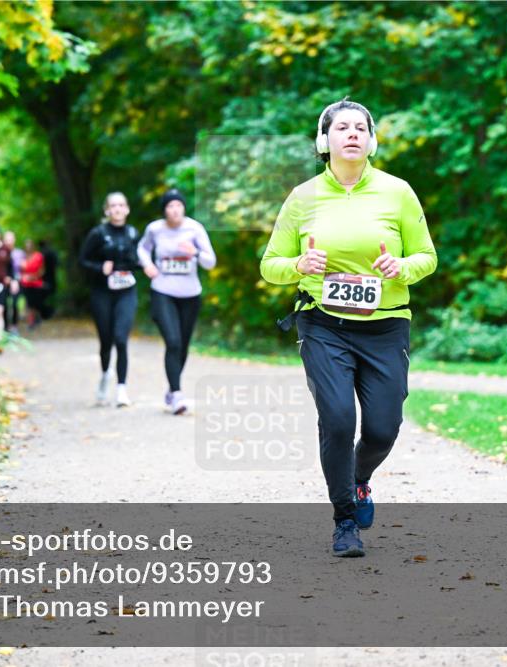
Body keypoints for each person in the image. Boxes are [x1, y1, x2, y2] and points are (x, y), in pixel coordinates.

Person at [260, 99, 437, 557]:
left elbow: (427, 257)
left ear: (372, 139)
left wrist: (400, 267)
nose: (353, 134)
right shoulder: (302, 197)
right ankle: (344, 521)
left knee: (382, 428)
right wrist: (298, 263)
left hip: (386, 327)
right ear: (325, 140)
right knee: (337, 420)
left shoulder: (398, 192)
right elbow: (270, 265)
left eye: (361, 127)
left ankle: (359, 480)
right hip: (323, 324)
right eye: (342, 127)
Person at [138, 188, 217, 415]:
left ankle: (171, 391)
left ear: (183, 207)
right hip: (163, 291)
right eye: (170, 206)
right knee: (172, 341)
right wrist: (147, 265)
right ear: (164, 210)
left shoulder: (194, 228)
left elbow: (210, 262)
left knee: (182, 345)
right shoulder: (155, 229)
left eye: (178, 205)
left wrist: (194, 252)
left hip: (190, 294)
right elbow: (142, 249)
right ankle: (177, 393)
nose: (174, 210)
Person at [79, 192, 142, 407]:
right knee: (106, 341)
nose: (117, 209)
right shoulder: (98, 234)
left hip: (126, 291)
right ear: (107, 210)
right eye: (113, 206)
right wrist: (100, 268)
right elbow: (82, 260)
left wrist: (144, 265)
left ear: (127, 209)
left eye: (121, 205)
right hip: (102, 292)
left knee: (121, 339)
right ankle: (105, 375)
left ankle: (122, 389)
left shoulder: (134, 233)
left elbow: (141, 259)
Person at [19, 239, 46, 330]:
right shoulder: (23, 257)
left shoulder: (38, 256)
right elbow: (20, 271)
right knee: (29, 304)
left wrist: (33, 277)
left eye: (29, 245)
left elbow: (42, 270)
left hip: (36, 283)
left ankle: (37, 318)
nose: (28, 247)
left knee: (36, 303)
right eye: (26, 245)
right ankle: (31, 322)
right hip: (26, 284)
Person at [3, 230, 24, 333]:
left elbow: (25, 267)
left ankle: (14, 326)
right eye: (6, 240)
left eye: (10, 240)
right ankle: (5, 327)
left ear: (14, 240)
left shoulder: (19, 253)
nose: (8, 242)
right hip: (4, 282)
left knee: (15, 304)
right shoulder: (0, 253)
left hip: (17, 282)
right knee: (4, 305)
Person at [39, 240, 59, 319]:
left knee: (44, 296)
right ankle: (50, 312)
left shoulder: (41, 254)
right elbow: (57, 264)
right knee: (50, 295)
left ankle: (46, 314)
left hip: (43, 278)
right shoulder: (53, 253)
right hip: (51, 277)